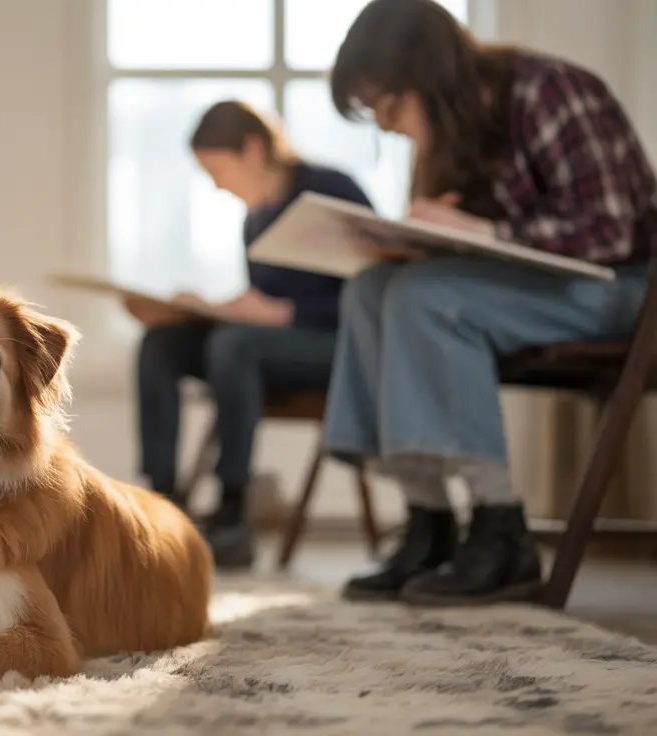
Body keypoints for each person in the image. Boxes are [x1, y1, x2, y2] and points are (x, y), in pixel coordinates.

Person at [324, 0, 656, 605]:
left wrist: (483, 234)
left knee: (430, 298)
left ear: (430, 75)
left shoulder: (551, 91)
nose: (389, 126)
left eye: (388, 106)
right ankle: (430, 522)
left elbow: (613, 233)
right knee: (371, 290)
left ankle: (501, 527)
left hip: (625, 290)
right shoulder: (452, 134)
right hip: (535, 289)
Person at [130, 100, 375, 568]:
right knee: (161, 344)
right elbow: (259, 304)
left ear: (254, 149)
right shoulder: (254, 219)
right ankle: (159, 502)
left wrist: (287, 313)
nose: (217, 185)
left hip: (340, 348)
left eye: (218, 170)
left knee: (234, 344)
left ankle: (232, 509)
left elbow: (373, 293)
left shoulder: (331, 190)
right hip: (262, 349)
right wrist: (199, 311)